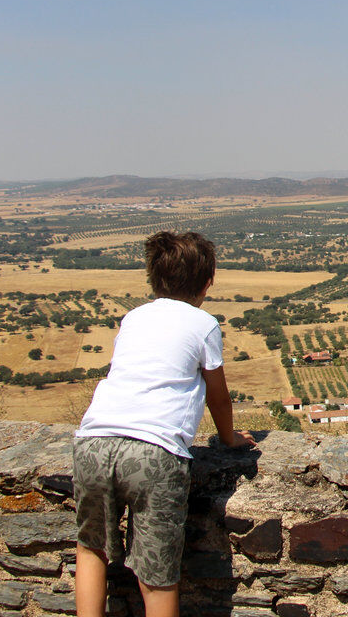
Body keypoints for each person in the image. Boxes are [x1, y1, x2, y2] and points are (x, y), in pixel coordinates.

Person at [73, 231, 254, 617]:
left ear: (154, 279)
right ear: (208, 282)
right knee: (156, 575)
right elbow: (217, 394)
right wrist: (229, 437)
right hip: (154, 452)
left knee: (92, 549)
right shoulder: (203, 324)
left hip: (93, 440)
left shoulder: (134, 317)